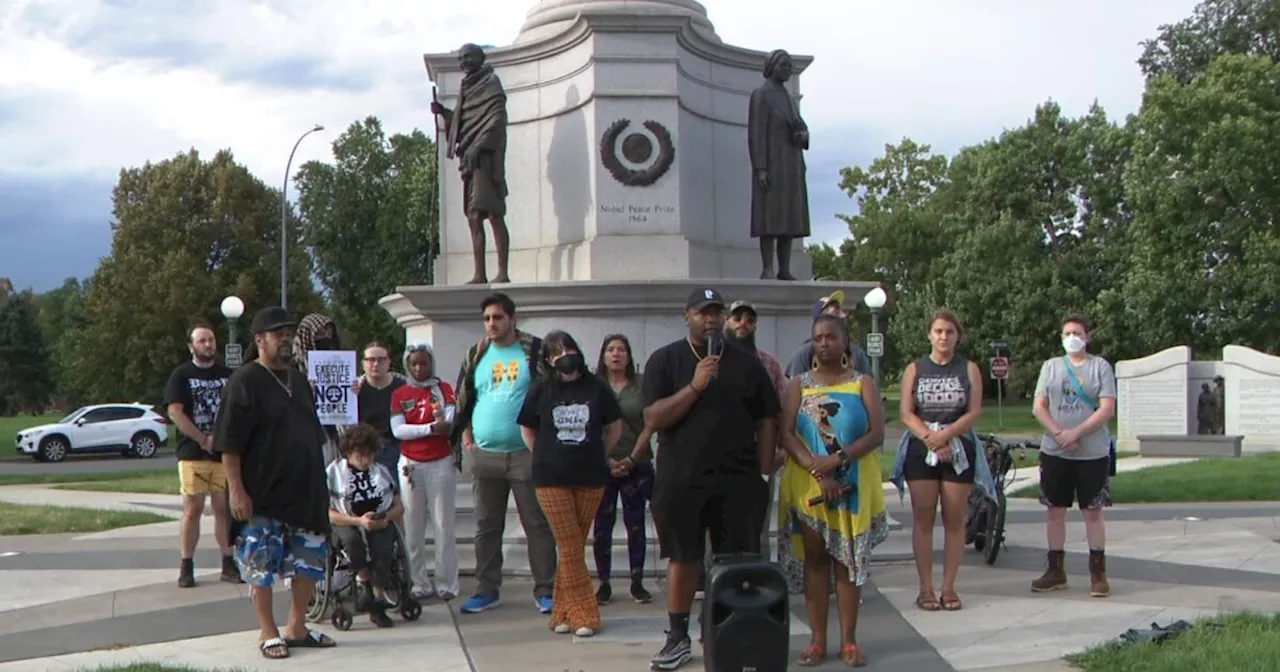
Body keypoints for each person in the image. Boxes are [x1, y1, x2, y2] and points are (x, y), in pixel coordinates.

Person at [642, 287, 781, 671]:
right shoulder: (665, 360)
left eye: (716, 312)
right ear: (687, 316)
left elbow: (768, 416)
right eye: (703, 312)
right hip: (681, 480)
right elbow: (652, 418)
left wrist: (765, 468)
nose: (711, 319)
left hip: (738, 481)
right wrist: (695, 386)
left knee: (735, 560)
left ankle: (728, 633)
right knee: (683, 558)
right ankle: (677, 637)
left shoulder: (746, 362)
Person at [214, 306, 336, 660]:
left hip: (304, 491)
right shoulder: (245, 381)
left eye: (289, 332)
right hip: (261, 493)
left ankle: (296, 627)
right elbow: (230, 443)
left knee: (308, 558)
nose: (285, 338)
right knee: (261, 562)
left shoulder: (298, 380)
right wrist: (236, 489)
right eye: (277, 333)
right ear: (259, 340)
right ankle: (268, 631)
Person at [777, 313, 888, 667]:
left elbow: (876, 434)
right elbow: (787, 434)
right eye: (817, 338)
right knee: (815, 561)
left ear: (845, 342)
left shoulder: (862, 384)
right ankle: (817, 641)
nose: (823, 343)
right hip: (810, 484)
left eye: (830, 337)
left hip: (852, 483)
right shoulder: (798, 385)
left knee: (846, 563)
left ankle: (850, 641)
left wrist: (838, 459)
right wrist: (816, 466)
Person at [451, 293, 557, 614]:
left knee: (536, 524)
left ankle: (545, 589)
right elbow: (464, 398)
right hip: (485, 455)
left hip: (525, 454)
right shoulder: (476, 354)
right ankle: (487, 589)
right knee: (486, 525)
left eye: (497, 317)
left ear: (512, 318)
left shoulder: (534, 350)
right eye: (486, 319)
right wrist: (467, 436)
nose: (491, 324)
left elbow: (551, 395)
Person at [518, 330, 623, 637]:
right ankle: (585, 614)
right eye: (558, 352)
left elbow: (613, 428)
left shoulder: (597, 387)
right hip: (551, 477)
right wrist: (545, 456)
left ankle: (562, 612)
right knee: (568, 541)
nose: (565, 355)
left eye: (570, 348)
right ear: (549, 360)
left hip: (590, 476)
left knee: (574, 543)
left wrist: (598, 454)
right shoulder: (541, 389)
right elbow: (528, 429)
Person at [888, 309, 990, 612]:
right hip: (922, 447)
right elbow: (906, 413)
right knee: (924, 518)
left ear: (957, 336)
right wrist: (930, 438)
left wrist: (946, 436)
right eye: (938, 331)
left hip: (958, 446)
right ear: (929, 334)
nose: (943, 337)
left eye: (949, 332)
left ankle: (949, 588)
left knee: (954, 518)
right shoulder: (915, 369)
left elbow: (973, 412)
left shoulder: (968, 368)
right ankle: (926, 589)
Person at [1030, 313, 1116, 598]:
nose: (1072, 338)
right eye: (1067, 333)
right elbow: (1039, 406)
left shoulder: (1099, 367)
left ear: (1087, 336)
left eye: (1077, 332)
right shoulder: (1051, 367)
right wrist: (1059, 434)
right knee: (1055, 511)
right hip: (1055, 452)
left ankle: (1098, 572)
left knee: (1093, 512)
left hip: (1092, 453)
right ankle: (1055, 569)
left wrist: (1075, 433)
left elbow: (1106, 409)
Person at [164, 323, 238, 587]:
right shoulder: (181, 375)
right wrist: (202, 438)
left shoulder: (228, 375)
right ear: (191, 346)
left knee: (223, 508)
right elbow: (175, 412)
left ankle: (228, 562)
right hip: (193, 452)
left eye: (211, 340)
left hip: (222, 453)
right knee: (193, 508)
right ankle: (186, 565)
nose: (208, 345)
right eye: (202, 341)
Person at [389, 343, 460, 602]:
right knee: (413, 525)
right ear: (408, 365)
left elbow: (448, 422)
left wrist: (433, 426)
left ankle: (447, 583)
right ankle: (418, 581)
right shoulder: (400, 393)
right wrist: (429, 428)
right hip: (411, 464)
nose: (419, 368)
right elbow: (399, 430)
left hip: (440, 462)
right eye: (414, 363)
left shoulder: (443, 389)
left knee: (444, 524)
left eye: (424, 363)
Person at [591, 334, 656, 605]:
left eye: (621, 349)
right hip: (602, 465)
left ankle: (637, 581)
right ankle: (603, 582)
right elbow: (588, 426)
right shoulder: (594, 387)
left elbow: (650, 424)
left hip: (637, 463)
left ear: (629, 356)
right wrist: (607, 460)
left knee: (636, 524)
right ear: (603, 356)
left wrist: (631, 458)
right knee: (602, 526)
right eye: (610, 349)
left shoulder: (641, 386)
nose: (616, 354)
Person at [325, 423, 405, 629]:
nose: (366, 460)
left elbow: (399, 506)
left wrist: (386, 517)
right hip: (346, 519)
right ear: (348, 454)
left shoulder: (381, 472)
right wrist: (358, 521)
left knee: (384, 546)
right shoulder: (333, 473)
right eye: (360, 456)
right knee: (352, 541)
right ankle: (363, 581)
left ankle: (378, 595)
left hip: (379, 519)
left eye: (370, 455)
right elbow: (327, 513)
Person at [784, 291, 872, 379]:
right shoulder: (803, 354)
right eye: (835, 311)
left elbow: (870, 385)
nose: (842, 315)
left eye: (840, 310)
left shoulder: (857, 353)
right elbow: (795, 388)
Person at [294, 313, 345, 465]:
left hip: (334, 426)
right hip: (306, 427)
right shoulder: (294, 365)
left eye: (328, 332)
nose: (326, 337)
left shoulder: (338, 360)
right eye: (320, 333)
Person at [357, 342, 405, 475]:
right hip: (365, 449)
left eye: (381, 359)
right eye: (371, 360)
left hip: (397, 447)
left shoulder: (403, 386)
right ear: (363, 363)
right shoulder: (355, 388)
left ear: (389, 361)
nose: (376, 364)